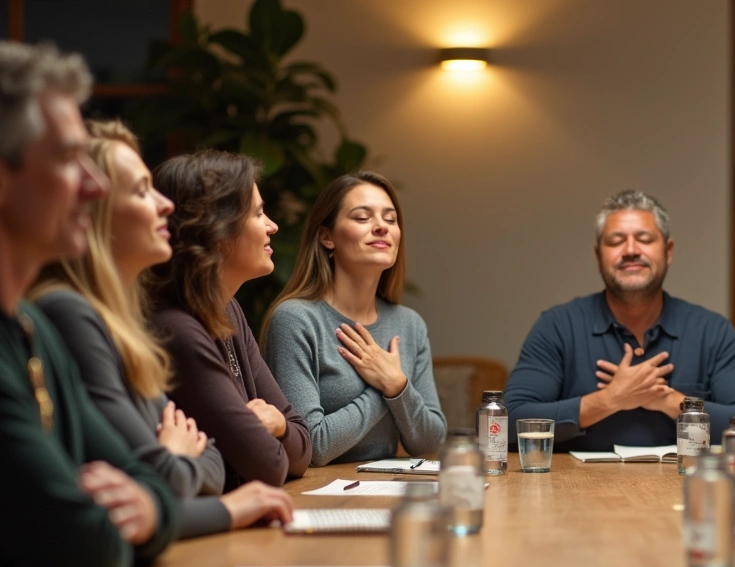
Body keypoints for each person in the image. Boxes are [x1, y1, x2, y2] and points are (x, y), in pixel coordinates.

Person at [32, 120, 294, 538]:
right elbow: (150, 485)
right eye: (141, 191)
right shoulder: (77, 314)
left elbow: (207, 458)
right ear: (94, 212)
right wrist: (185, 470)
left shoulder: (125, 324)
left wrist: (176, 465)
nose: (165, 206)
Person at [0, 42, 178, 567]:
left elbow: (158, 491)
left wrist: (149, 507)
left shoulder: (33, 328)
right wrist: (139, 516)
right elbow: (86, 559)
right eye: (71, 159)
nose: (95, 186)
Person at [505, 189, 735, 450]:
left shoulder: (712, 331)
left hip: (683, 489)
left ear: (668, 251)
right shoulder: (557, 326)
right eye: (616, 241)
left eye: (644, 239)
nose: (631, 250)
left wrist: (670, 401)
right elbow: (505, 423)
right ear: (599, 257)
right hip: (575, 490)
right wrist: (610, 399)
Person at [145, 150, 311, 490]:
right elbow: (269, 465)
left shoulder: (228, 307)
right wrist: (278, 434)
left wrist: (279, 425)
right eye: (258, 213)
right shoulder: (175, 328)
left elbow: (302, 447)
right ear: (218, 233)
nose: (272, 226)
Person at [263, 171, 446, 465]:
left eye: (390, 219)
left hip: (386, 491)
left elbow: (430, 443)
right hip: (317, 498)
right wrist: (383, 388)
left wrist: (398, 387)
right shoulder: (296, 319)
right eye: (363, 218)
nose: (381, 228)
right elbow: (312, 446)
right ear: (326, 236)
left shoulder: (409, 324)